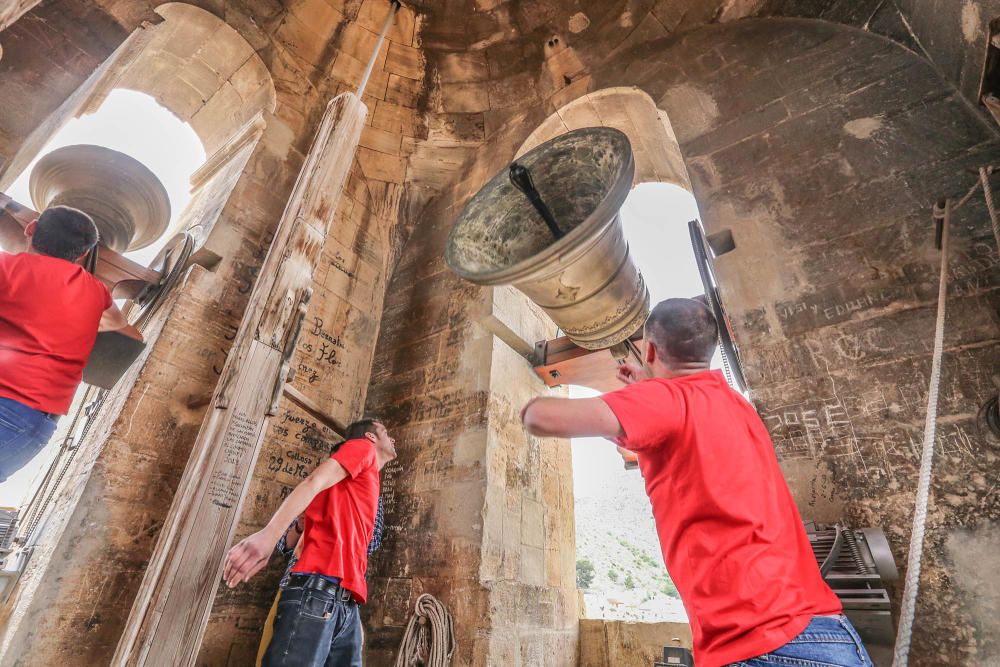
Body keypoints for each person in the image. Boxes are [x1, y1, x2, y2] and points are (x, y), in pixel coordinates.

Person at [520, 298, 872, 667]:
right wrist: (646, 391)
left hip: (767, 646)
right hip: (828, 636)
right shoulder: (737, 407)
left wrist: (642, 394)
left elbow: (539, 417)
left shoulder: (666, 400)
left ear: (650, 350)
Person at [224, 418, 397, 667]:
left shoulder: (364, 488)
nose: (393, 438)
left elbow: (356, 548)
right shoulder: (362, 448)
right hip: (318, 591)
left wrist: (351, 605)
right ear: (370, 437)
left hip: (343, 601)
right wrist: (268, 537)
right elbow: (312, 482)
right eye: (386, 431)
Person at [0, 205, 141, 482]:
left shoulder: (6, 267)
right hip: (33, 429)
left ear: (31, 229)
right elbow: (117, 322)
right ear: (84, 253)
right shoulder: (96, 291)